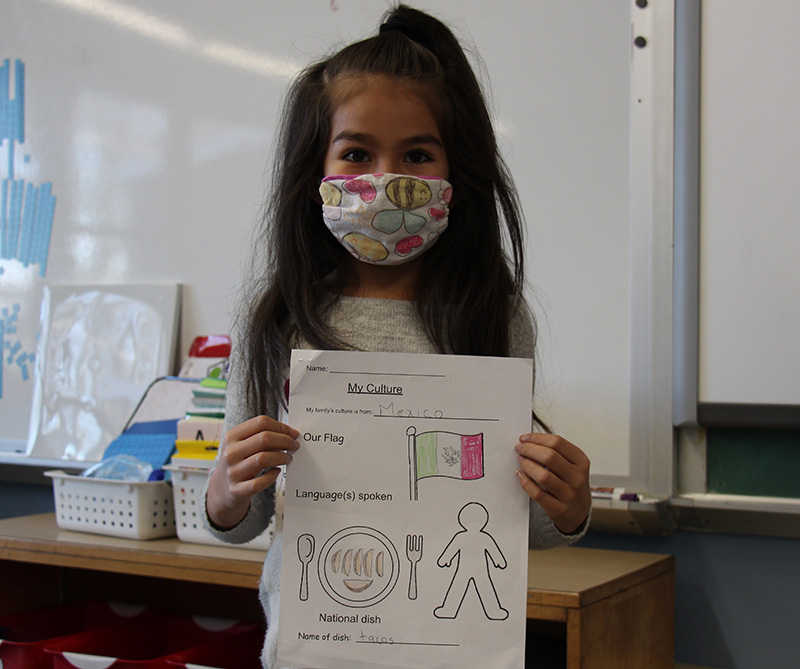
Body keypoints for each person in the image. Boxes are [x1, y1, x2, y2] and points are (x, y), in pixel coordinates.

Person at [204, 5, 591, 667]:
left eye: (417, 154)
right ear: (314, 172)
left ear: (455, 173)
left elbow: (523, 516)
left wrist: (572, 503)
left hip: (454, 646)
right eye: (357, 152)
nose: (388, 180)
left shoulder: (490, 310)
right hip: (314, 644)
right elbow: (243, 518)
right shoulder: (277, 317)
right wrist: (226, 488)